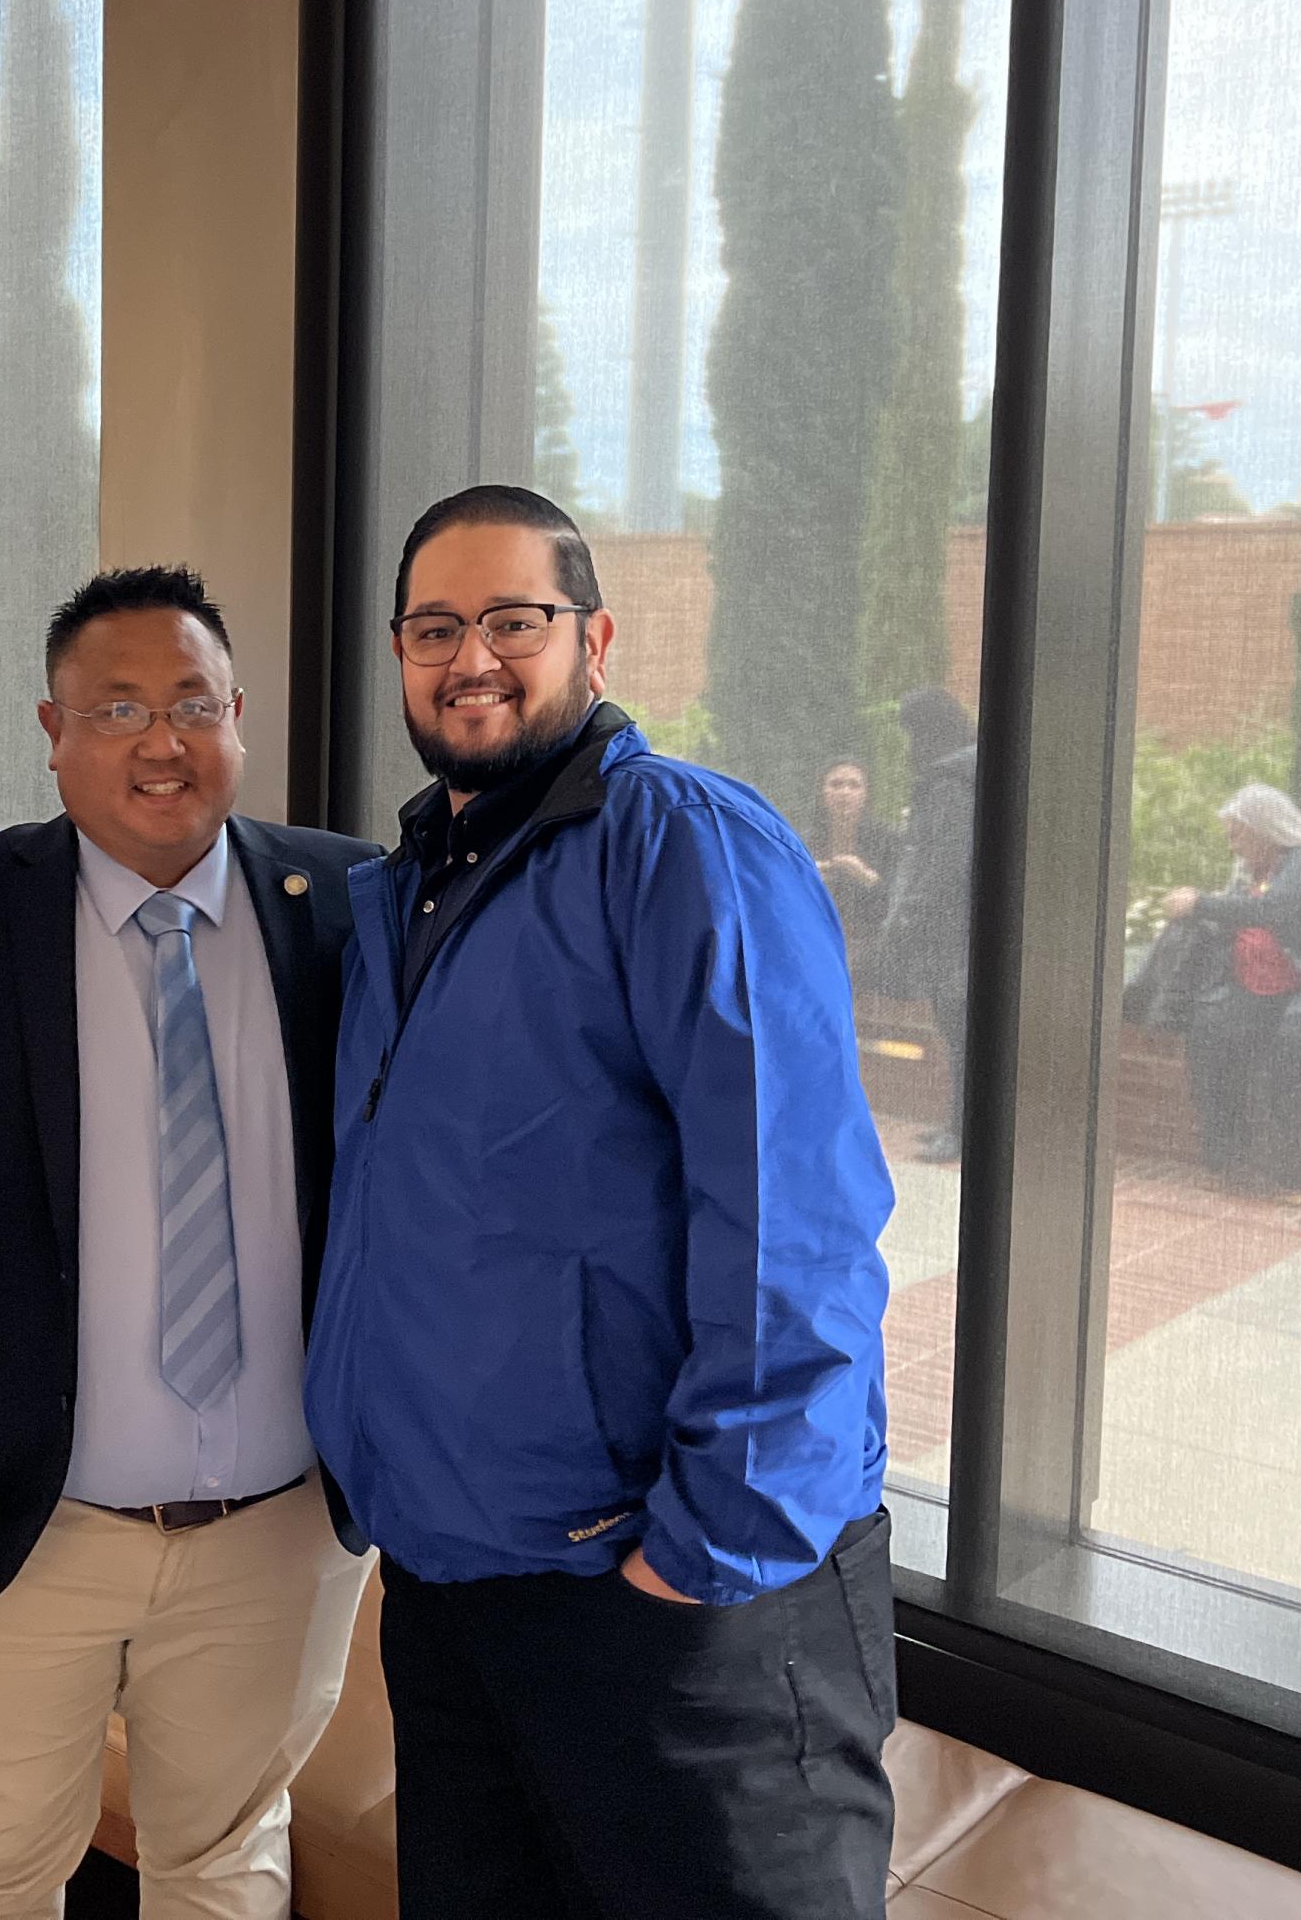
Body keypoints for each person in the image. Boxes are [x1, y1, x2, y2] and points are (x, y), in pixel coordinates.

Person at [304, 484, 898, 1920]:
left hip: (672, 1601)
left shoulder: (686, 844)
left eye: (515, 619)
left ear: (597, 638)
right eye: (435, 627)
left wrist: (702, 1554)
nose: (472, 659)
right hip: (457, 1588)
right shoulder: (407, 890)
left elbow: (795, 1226)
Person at [0, 565, 376, 1920]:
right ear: (51, 729)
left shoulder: (348, 906)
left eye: (193, 704)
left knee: (226, 1859)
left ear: (239, 716)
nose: (164, 742)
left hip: (277, 1534)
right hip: (24, 1520)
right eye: (117, 709)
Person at [1161, 783, 1301, 1195]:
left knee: (1300, 1039)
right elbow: (1236, 923)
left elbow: (1275, 912)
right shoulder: (1253, 874)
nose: (1233, 847)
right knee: (1211, 1030)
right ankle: (1226, 1161)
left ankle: (1292, 1178)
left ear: (1264, 828)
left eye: (1236, 835)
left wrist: (1199, 903)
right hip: (1265, 991)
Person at [877, 686, 978, 1164]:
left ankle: (960, 1132)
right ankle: (957, 1125)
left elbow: (944, 859)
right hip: (965, 926)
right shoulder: (971, 770)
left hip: (949, 932)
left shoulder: (950, 780)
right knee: (961, 1033)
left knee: (958, 1032)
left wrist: (913, 912)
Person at [810, 755, 903, 972]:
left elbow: (901, 903)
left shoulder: (889, 840)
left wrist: (866, 877)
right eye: (836, 785)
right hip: (817, 944)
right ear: (822, 793)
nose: (845, 793)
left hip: (876, 952)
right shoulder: (804, 840)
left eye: (854, 785)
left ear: (866, 794)